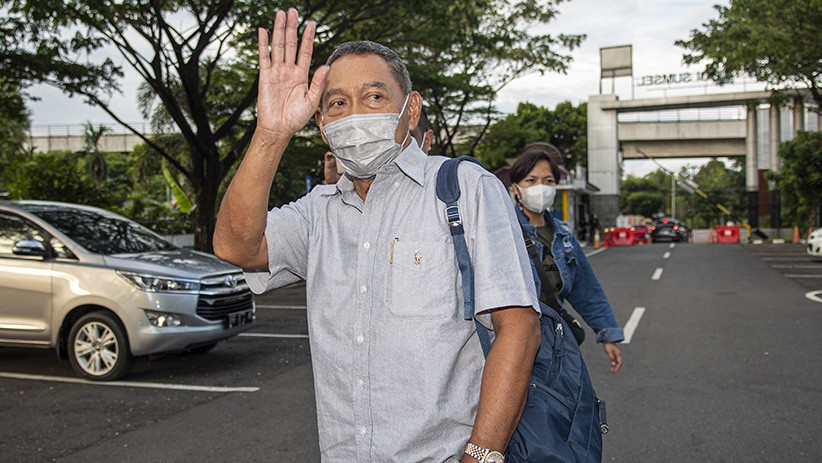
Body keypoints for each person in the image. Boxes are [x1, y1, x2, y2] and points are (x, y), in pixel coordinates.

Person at [213, 9, 541, 462]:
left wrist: (481, 456)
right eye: (337, 104)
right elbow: (235, 246)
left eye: (373, 96)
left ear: (412, 109)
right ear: (323, 126)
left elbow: (518, 327)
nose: (355, 114)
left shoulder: (466, 188)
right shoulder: (319, 213)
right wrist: (271, 132)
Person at [509, 145, 625, 373]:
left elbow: (586, 288)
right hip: (513, 345)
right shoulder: (503, 231)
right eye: (531, 181)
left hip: (554, 340)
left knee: (570, 404)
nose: (540, 187)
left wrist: (608, 335)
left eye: (548, 181)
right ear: (516, 188)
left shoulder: (563, 235)